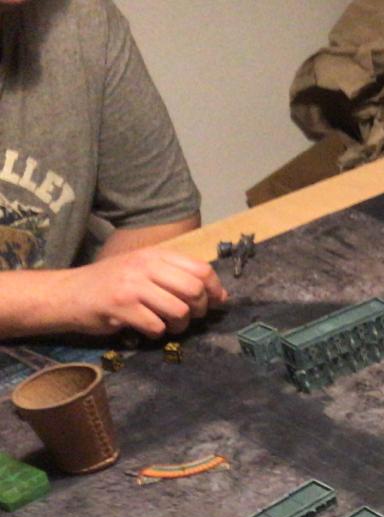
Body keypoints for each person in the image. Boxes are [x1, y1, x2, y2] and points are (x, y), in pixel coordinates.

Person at [0, 0, 225, 341]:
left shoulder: (83, 20)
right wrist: (67, 296)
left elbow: (160, 217)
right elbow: (77, 295)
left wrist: (114, 293)